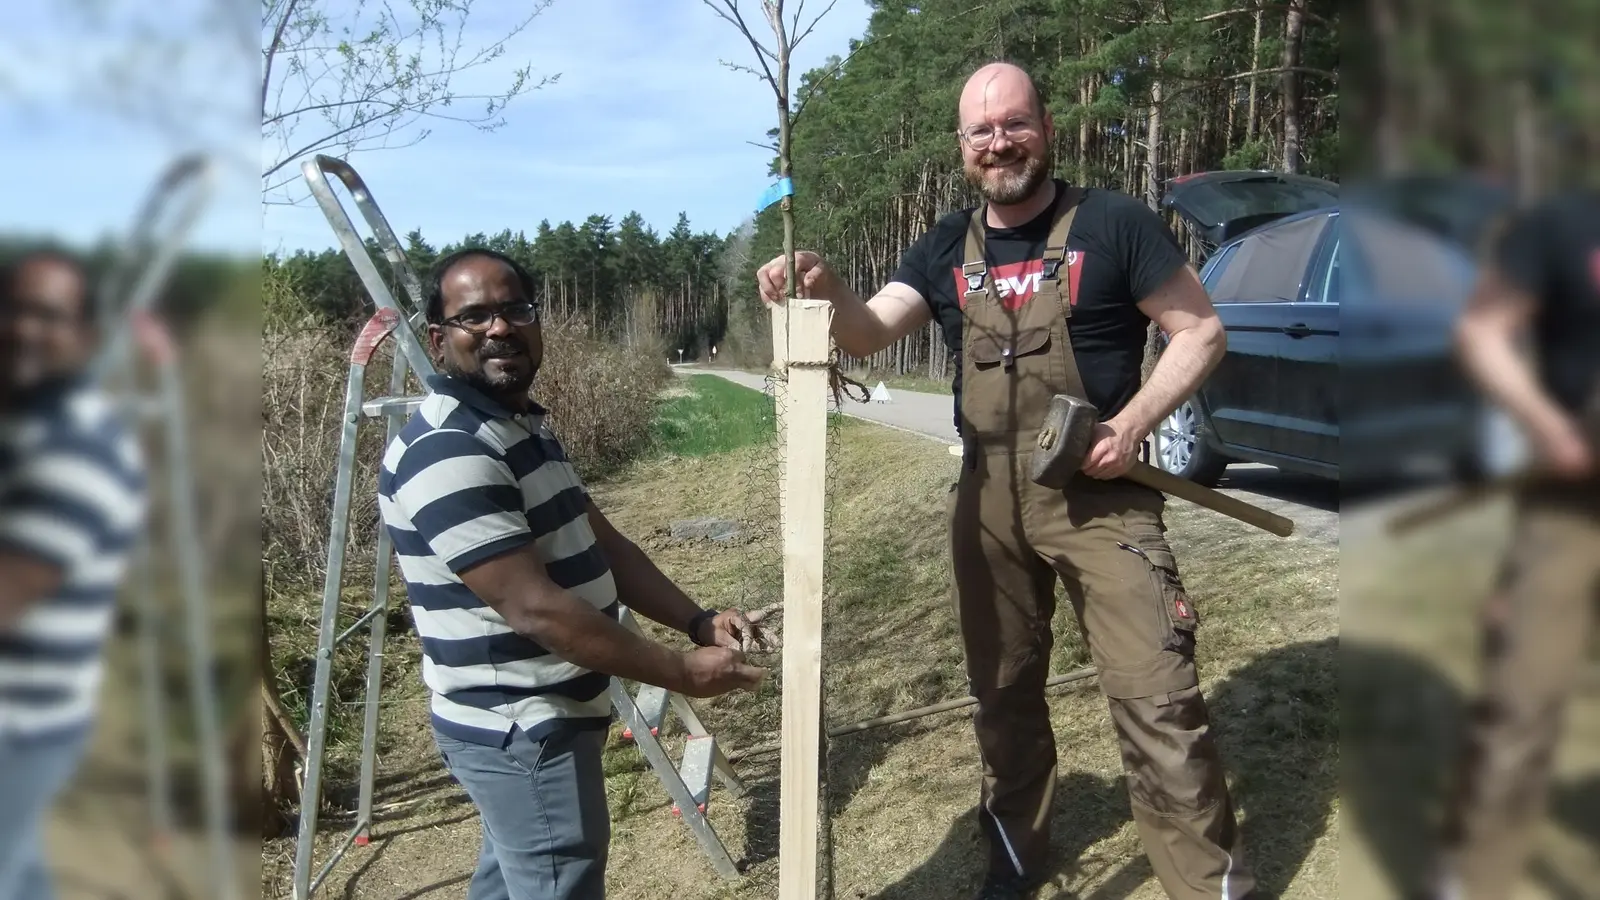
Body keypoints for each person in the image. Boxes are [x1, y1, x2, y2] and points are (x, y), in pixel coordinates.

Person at [757, 62, 1258, 900]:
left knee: (1158, 699)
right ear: (962, 147)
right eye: (981, 132)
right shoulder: (944, 245)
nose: (1000, 143)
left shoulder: (1116, 223)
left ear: (1046, 127)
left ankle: (1210, 887)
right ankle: (1016, 864)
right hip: (987, 499)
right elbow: (869, 333)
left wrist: (1131, 423)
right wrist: (823, 285)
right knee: (1003, 696)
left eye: (1014, 124)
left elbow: (1200, 333)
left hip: (1100, 495)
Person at [376, 247, 769, 900]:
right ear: (440, 342)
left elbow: (604, 544)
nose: (500, 328)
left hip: (545, 715)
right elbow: (536, 609)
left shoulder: (519, 427)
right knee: (559, 884)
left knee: (513, 883)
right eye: (476, 317)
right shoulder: (450, 452)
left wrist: (697, 621)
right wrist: (678, 671)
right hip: (522, 726)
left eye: (515, 310)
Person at [1421, 186, 1600, 900]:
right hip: (1571, 505)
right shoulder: (1564, 223)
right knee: (1525, 696)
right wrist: (1549, 427)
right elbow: (1484, 333)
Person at [0, 249, 148, 900]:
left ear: (85, 337)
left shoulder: (81, 446)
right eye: (15, 310)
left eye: (48, 316)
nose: (24, 328)